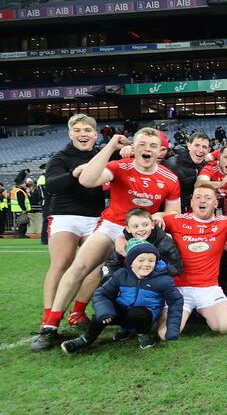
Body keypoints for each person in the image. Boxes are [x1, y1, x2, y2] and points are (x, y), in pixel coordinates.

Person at [32, 129, 182, 352]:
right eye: (142, 144)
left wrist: (160, 215)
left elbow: (174, 212)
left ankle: (135, 322)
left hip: (140, 231)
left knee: (132, 277)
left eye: (152, 145)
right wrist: (110, 147)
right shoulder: (119, 167)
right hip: (112, 226)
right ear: (134, 147)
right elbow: (86, 179)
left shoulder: (169, 178)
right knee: (79, 267)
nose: (147, 149)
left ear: (161, 150)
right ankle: (50, 326)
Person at [158, 182, 227, 338]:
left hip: (208, 289)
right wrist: (156, 216)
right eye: (198, 197)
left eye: (207, 198)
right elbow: (146, 224)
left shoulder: (224, 222)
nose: (202, 201)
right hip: (179, 289)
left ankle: (202, 311)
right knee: (166, 334)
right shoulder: (176, 220)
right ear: (191, 202)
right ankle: (185, 312)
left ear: (215, 203)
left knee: (225, 326)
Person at [38, 114, 108, 331]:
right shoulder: (60, 158)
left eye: (87, 130)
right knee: (61, 263)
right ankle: (49, 316)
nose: (82, 134)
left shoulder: (102, 155)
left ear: (95, 134)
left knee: (96, 267)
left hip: (95, 217)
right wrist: (73, 174)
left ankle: (77, 311)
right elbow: (51, 185)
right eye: (77, 130)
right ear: (70, 134)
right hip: (64, 216)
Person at [60, 241, 184, 353]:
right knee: (101, 314)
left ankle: (144, 336)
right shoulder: (121, 274)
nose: (146, 264)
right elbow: (101, 293)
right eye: (141, 260)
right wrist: (105, 311)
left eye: (151, 261)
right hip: (123, 312)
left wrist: (172, 329)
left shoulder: (164, 280)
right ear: (130, 262)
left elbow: (176, 302)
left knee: (138, 312)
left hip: (144, 316)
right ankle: (86, 339)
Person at [100, 208, 183, 283]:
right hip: (129, 282)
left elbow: (177, 267)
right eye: (135, 226)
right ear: (128, 229)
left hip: (155, 282)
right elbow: (111, 264)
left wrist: (153, 269)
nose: (141, 229)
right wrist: (114, 282)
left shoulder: (163, 240)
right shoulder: (124, 241)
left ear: (152, 225)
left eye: (145, 225)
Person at [163, 132, 209, 212]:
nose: (201, 150)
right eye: (197, 145)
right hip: (173, 212)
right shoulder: (172, 165)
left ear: (208, 150)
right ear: (189, 145)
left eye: (204, 147)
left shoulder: (203, 165)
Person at [196, 144, 227, 215]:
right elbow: (199, 183)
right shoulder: (210, 168)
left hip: (223, 201)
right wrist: (221, 184)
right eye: (226, 157)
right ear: (219, 157)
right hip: (203, 203)